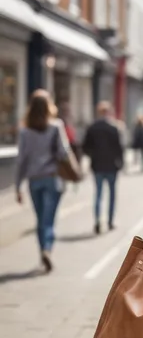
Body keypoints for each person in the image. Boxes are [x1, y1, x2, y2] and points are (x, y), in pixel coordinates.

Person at [15, 89, 71, 272]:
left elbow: (21, 159)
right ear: (48, 106)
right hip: (52, 179)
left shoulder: (25, 131)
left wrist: (17, 187)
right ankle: (47, 249)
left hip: (34, 180)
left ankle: (42, 251)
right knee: (49, 220)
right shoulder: (56, 126)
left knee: (40, 220)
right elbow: (64, 152)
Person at [82, 101, 124, 234]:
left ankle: (97, 221)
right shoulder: (114, 127)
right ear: (109, 112)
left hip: (97, 165)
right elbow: (119, 147)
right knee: (111, 194)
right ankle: (110, 221)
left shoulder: (92, 127)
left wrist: (93, 156)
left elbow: (85, 147)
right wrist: (121, 162)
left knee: (98, 194)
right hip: (112, 165)